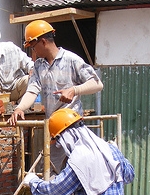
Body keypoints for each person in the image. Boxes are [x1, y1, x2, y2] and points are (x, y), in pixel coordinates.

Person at [8, 19, 104, 173]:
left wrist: (74, 90)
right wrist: (20, 108)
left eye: (33, 47)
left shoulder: (71, 60)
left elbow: (97, 84)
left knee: (79, 169)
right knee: (49, 170)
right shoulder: (39, 65)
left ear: (43, 42)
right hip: (54, 128)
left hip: (72, 126)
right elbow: (32, 90)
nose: (34, 52)